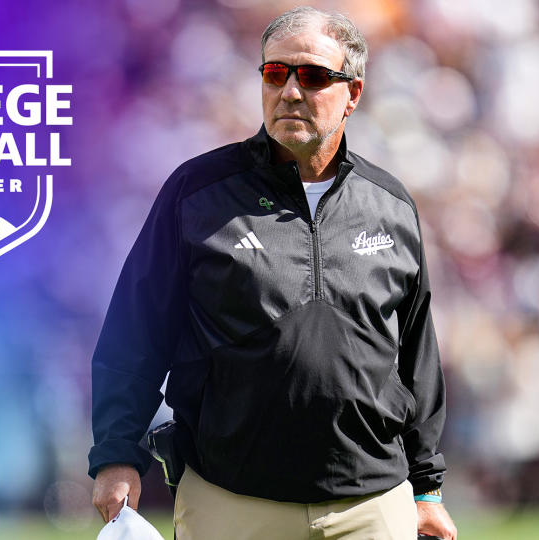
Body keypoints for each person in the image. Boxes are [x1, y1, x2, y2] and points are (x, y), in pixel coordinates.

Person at [89, 6, 456, 540]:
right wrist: (116, 453)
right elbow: (135, 332)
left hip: (372, 503)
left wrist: (425, 488)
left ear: (352, 94)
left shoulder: (390, 205)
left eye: (311, 76)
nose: (289, 91)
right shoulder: (197, 193)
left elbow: (417, 355)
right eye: (275, 72)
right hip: (230, 497)